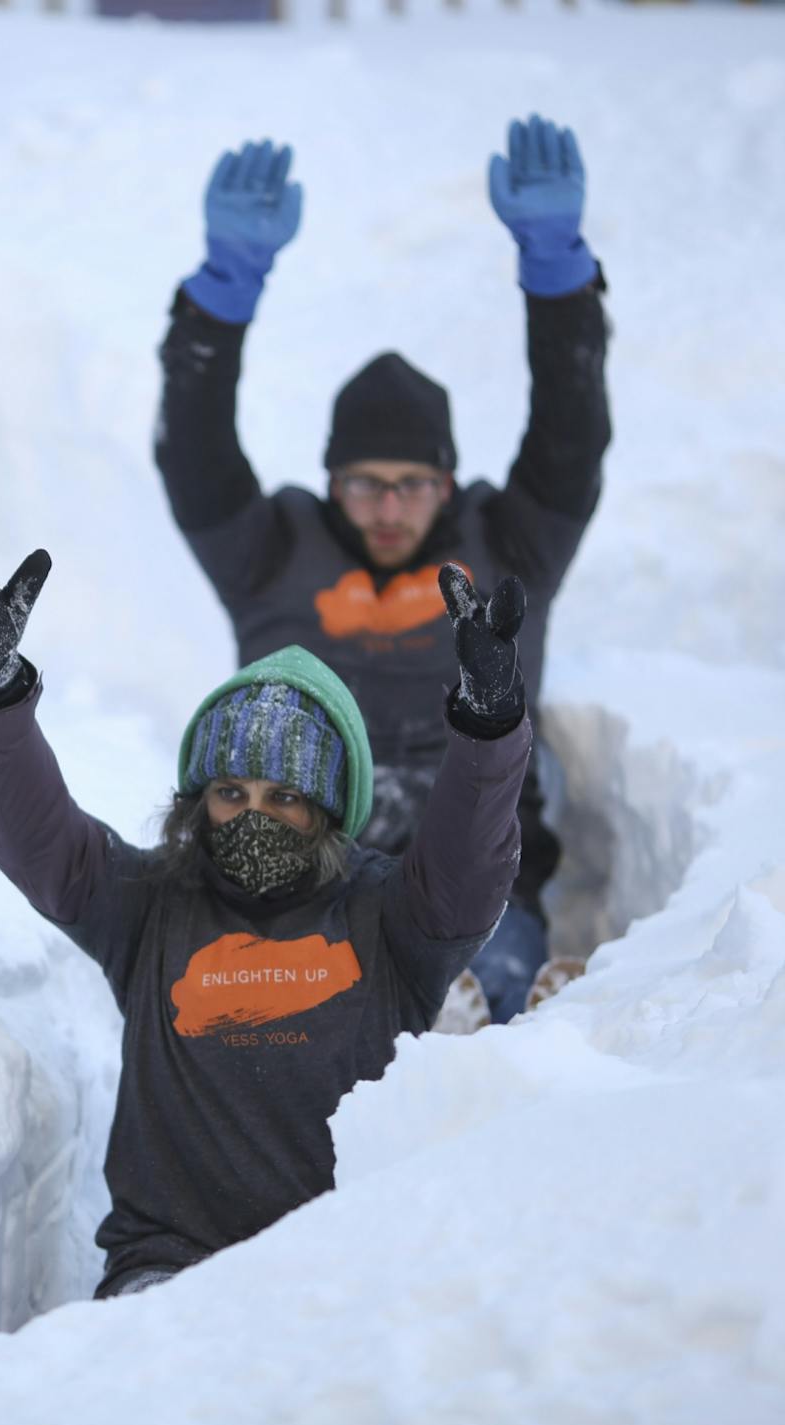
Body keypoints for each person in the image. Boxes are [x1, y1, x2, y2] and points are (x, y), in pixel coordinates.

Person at [0, 543, 533, 1299]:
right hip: (168, 1266)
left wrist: (489, 729)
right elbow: (35, 837)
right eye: (232, 793)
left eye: (284, 797)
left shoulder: (390, 912)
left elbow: (469, 864)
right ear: (199, 803)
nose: (254, 816)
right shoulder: (149, 900)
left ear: (326, 812)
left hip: (348, 1265)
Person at [154, 117, 612, 1025]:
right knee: (303, 1006)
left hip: (480, 873)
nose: (391, 508)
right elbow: (195, 456)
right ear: (332, 481)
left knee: (491, 959)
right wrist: (221, 296)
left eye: (413, 485)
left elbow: (571, 436)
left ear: (447, 480)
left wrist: (557, 275)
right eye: (365, 484)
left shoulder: (508, 542)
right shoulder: (272, 550)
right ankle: (421, 1020)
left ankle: (504, 1016)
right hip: (296, 875)